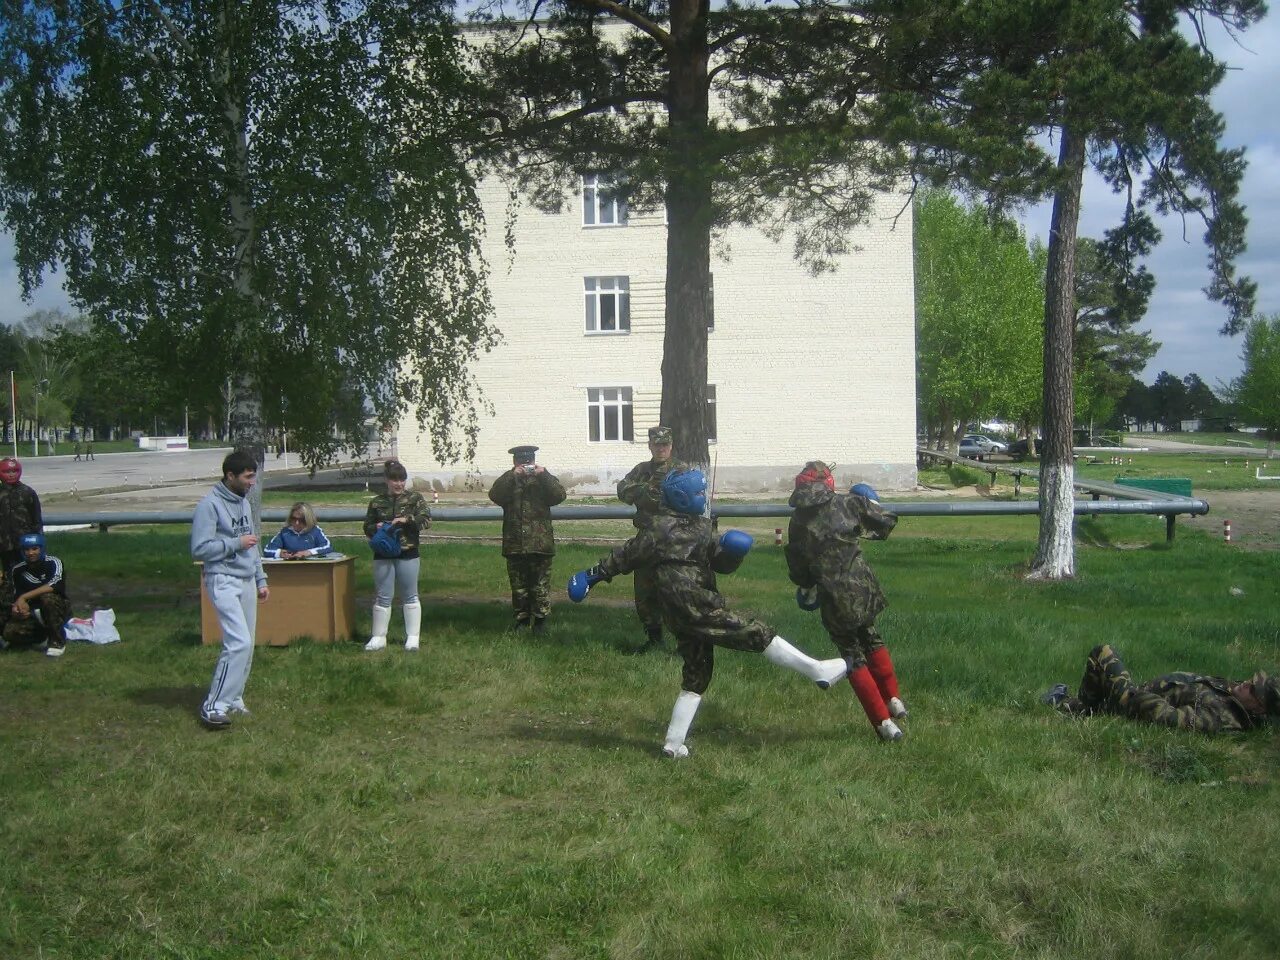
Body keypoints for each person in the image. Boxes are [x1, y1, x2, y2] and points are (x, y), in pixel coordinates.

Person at [570, 466, 848, 759]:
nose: (703, 497)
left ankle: (673, 744)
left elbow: (719, 564)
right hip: (696, 605)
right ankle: (817, 670)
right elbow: (624, 556)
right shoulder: (659, 528)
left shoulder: (700, 528)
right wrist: (591, 576)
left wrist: (732, 552)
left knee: (697, 673)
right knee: (756, 632)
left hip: (678, 613)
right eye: (698, 492)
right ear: (680, 496)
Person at [786, 464, 907, 742]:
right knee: (871, 637)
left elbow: (798, 568)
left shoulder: (798, 521)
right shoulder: (848, 502)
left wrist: (807, 588)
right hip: (864, 588)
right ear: (828, 481)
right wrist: (871, 501)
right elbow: (886, 522)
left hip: (832, 597)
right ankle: (894, 700)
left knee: (852, 655)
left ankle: (884, 724)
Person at [191, 449, 269, 730]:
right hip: (222, 579)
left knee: (247, 646)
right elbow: (199, 548)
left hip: (247, 579)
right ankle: (213, 706)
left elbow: (253, 542)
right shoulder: (209, 506)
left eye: (253, 477)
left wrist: (260, 578)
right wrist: (235, 544)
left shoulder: (244, 503)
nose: (252, 483)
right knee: (238, 642)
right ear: (230, 476)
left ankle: (234, 697)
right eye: (248, 477)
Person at [1044, 643, 1280, 733]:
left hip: (1135, 702)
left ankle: (1081, 706)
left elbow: (1169, 718)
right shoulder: (1235, 696)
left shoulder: (1219, 717)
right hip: (1142, 694)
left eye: (1253, 690)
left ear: (1258, 709)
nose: (1247, 683)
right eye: (1252, 681)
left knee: (1103, 653)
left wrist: (1137, 696)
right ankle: (1077, 706)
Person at [488, 445, 567, 633]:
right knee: (519, 587)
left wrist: (544, 475)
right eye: (521, 462)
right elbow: (494, 495)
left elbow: (559, 495)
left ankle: (540, 621)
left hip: (540, 543)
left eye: (529, 461)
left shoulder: (543, 479)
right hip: (515, 543)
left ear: (534, 461)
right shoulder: (508, 480)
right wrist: (512, 476)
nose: (525, 465)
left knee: (540, 586)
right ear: (515, 462)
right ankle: (522, 620)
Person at [616, 424, 678, 652]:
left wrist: (644, 494)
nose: (661, 448)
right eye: (657, 444)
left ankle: (683, 640)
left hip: (673, 539)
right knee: (645, 591)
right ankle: (654, 639)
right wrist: (645, 491)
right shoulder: (641, 470)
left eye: (665, 444)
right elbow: (623, 490)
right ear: (650, 445)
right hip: (646, 540)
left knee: (674, 590)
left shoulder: (680, 470)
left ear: (671, 446)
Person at [361, 459, 431, 652]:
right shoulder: (376, 502)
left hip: (408, 553)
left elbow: (425, 520)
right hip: (383, 554)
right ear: (386, 480)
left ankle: (413, 637)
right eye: (394, 479)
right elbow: (366, 526)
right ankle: (378, 636)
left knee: (410, 595)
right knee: (383, 596)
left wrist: (406, 520)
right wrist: (374, 528)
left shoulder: (415, 498)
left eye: (402, 479)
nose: (398, 483)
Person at [3, 533, 72, 658]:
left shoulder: (54, 562)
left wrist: (24, 597)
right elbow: (15, 595)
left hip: (56, 607)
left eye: (35, 549)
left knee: (48, 598)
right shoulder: (17, 570)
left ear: (42, 548)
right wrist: (18, 609)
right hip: (33, 612)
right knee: (9, 632)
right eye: (27, 549)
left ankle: (57, 640)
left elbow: (54, 585)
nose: (30, 553)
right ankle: (41, 638)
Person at [0, 457, 43, 574]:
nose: (11, 474)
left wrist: (37, 538)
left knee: (28, 570)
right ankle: (9, 589)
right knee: (8, 571)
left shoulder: (27, 492)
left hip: (25, 542)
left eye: (14, 471)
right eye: (7, 472)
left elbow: (36, 517)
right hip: (4, 542)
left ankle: (29, 590)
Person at [263, 502, 333, 560]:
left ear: (308, 519)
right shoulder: (285, 532)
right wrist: (279, 553)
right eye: (294, 519)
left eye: (301, 520)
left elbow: (327, 547)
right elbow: (267, 550)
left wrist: (308, 552)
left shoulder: (315, 531)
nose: (297, 523)